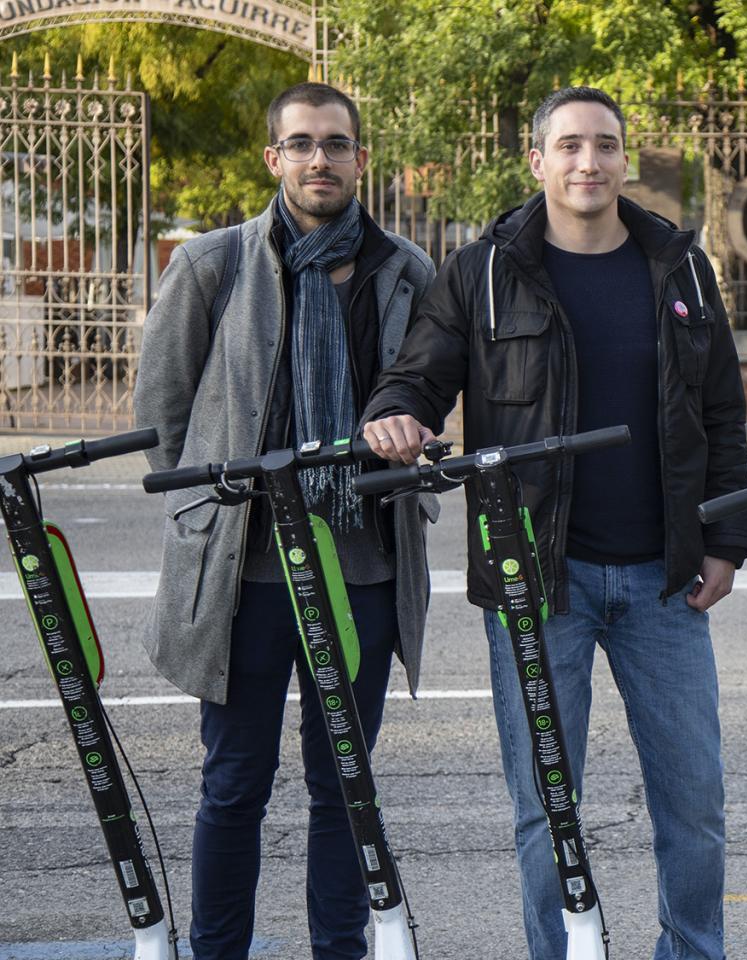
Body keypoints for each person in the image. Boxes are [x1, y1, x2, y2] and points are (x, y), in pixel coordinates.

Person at [360, 86, 747, 960]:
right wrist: (396, 414)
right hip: (539, 581)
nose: (589, 163)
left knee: (695, 802)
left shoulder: (681, 267)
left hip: (665, 579)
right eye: (569, 146)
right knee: (547, 802)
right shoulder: (482, 272)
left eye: (605, 146)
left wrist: (727, 539)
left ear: (624, 159)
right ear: (536, 160)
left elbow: (721, 412)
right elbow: (419, 376)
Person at [133, 81, 436, 960]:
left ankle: (335, 950)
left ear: (360, 159)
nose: (319, 159)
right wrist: (206, 522)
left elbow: (428, 392)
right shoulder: (213, 265)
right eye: (300, 144)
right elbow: (163, 414)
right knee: (234, 784)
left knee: (346, 784)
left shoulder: (403, 271)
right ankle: (217, 950)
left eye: (335, 144)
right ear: (274, 159)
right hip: (246, 580)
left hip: (364, 573)